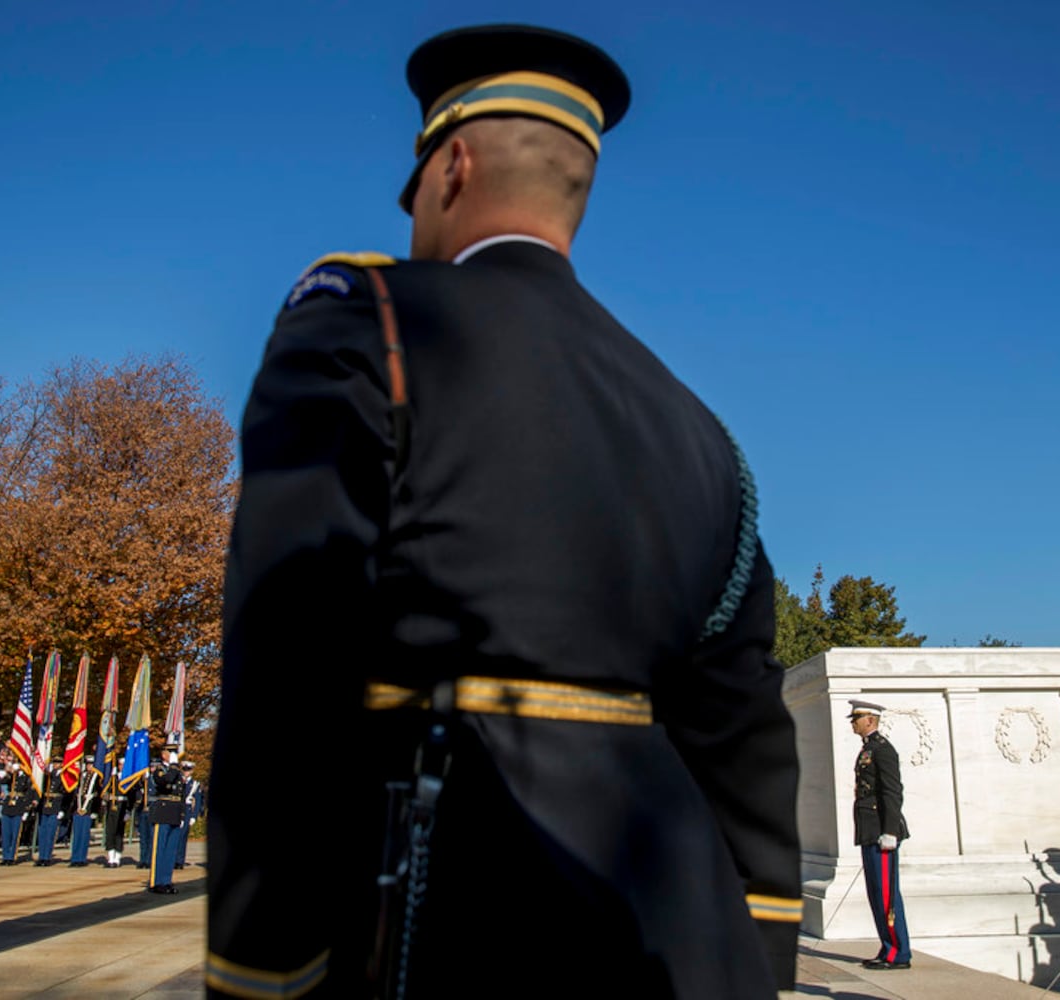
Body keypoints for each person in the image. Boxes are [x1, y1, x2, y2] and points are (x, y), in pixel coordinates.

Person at [207, 23, 802, 1000]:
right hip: (682, 944)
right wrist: (757, 953)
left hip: (445, 910)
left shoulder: (370, 316)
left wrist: (260, 969)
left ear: (450, 165)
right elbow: (740, 730)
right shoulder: (702, 432)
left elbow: (288, 649)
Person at [848, 699, 911, 970]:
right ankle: (888, 948)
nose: (853, 722)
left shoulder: (883, 750)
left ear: (870, 720)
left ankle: (898, 952)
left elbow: (892, 792)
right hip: (869, 829)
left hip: (881, 831)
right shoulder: (868, 749)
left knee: (886, 894)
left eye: (856, 718)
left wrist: (889, 831)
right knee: (877, 893)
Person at [147, 745, 185, 894]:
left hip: (174, 812)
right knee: (160, 849)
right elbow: (166, 781)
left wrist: (182, 814)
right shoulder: (160, 770)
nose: (174, 755)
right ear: (164, 754)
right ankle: (156, 882)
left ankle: (166, 880)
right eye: (171, 753)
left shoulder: (177, 771)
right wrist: (174, 767)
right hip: (162, 811)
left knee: (171, 850)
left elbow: (181, 793)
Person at [68, 753, 101, 867]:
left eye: (91, 765)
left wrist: (96, 811)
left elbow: (98, 795)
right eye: (87, 764)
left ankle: (81, 858)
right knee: (76, 834)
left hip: (89, 809)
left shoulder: (97, 778)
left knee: (84, 835)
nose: (89, 767)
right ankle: (74, 858)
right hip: (78, 809)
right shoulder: (81, 776)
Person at [175, 760, 203, 869]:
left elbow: (198, 801)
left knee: (182, 836)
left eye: (188, 770)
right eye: (184, 770)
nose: (186, 772)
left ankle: (179, 860)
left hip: (187, 810)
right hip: (177, 810)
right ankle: (173, 859)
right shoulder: (178, 781)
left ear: (191, 771)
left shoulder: (195, 784)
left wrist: (193, 816)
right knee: (174, 835)